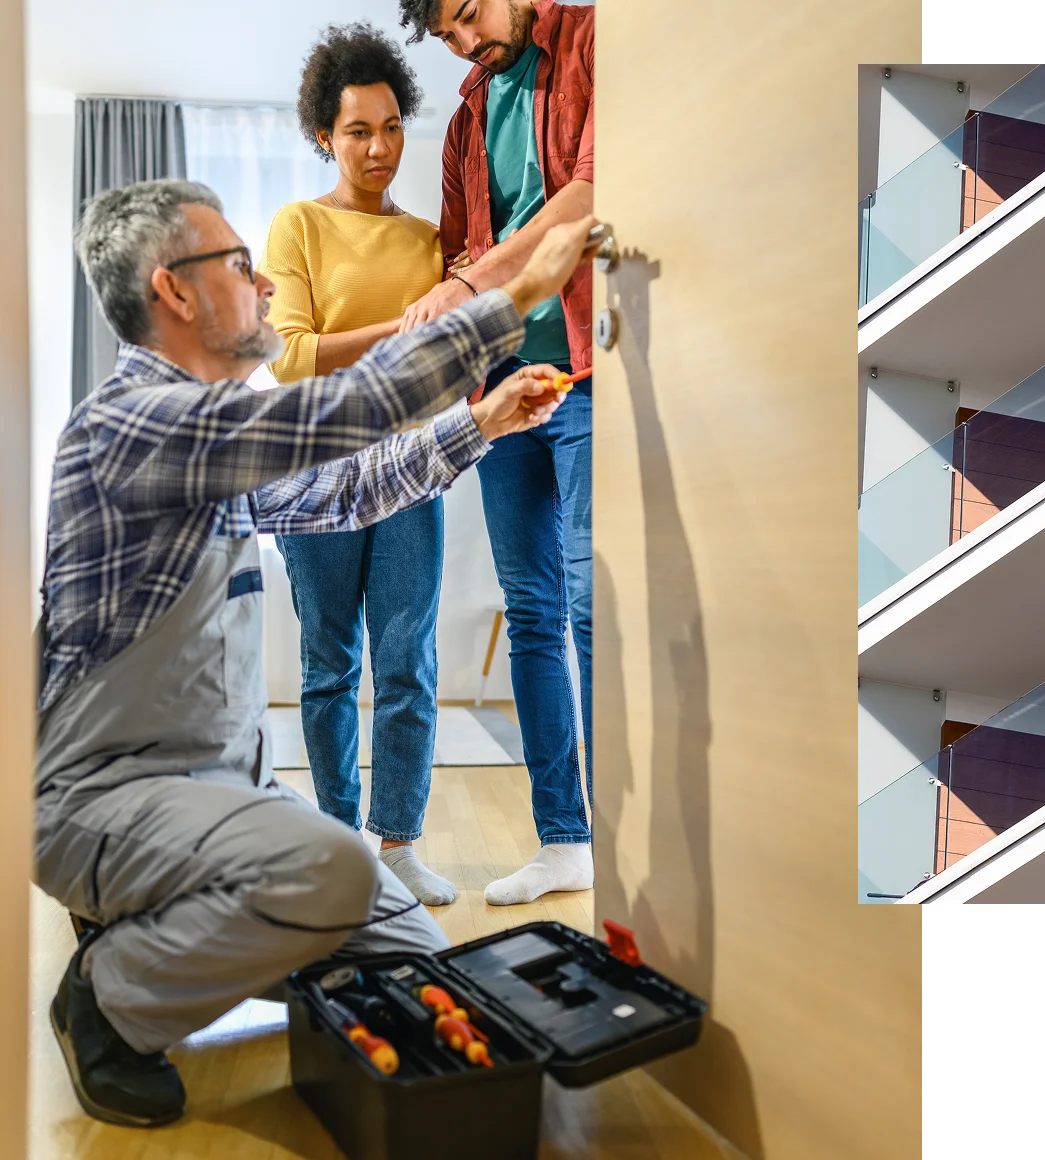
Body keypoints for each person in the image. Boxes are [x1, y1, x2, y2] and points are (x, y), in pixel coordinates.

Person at [35, 176, 595, 1126]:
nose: (263, 288)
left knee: (414, 956)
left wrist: (481, 421)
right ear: (172, 289)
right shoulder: (130, 425)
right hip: (104, 805)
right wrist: (517, 297)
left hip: (217, 796)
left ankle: (179, 927)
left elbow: (344, 487)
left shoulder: (205, 440)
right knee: (329, 871)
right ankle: (112, 991)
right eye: (240, 266)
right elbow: (329, 416)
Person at [396, 0, 596, 907]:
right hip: (509, 380)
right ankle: (566, 840)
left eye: (468, 17)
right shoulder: (471, 108)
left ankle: (631, 842)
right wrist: (449, 298)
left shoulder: (598, 39)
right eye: (446, 38)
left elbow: (590, 198)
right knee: (533, 607)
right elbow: (457, 248)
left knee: (594, 603)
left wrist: (473, 280)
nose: (465, 44)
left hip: (592, 366)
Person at [261, 23, 461, 906]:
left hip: (411, 471)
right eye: (357, 131)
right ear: (323, 136)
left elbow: (452, 359)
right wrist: (408, 328)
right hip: (316, 475)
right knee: (330, 663)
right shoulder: (298, 225)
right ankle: (342, 848)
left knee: (409, 663)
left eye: (390, 127)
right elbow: (294, 357)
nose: (378, 147)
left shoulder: (430, 242)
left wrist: (432, 331)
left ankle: (400, 845)